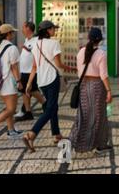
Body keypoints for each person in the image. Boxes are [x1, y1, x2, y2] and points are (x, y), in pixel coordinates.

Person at [22, 20, 75, 152]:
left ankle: (56, 134)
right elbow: (58, 64)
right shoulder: (54, 43)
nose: (54, 31)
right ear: (47, 30)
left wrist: (29, 84)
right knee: (50, 108)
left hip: (42, 81)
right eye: (53, 29)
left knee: (53, 106)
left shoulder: (36, 44)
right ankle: (31, 134)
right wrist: (72, 68)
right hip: (52, 79)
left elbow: (34, 66)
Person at [69, 27, 112, 154]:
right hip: (97, 87)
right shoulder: (101, 54)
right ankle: (101, 144)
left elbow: (79, 71)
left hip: (83, 86)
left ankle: (71, 143)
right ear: (100, 40)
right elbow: (104, 75)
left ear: (89, 38)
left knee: (82, 116)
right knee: (99, 117)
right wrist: (109, 90)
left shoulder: (81, 52)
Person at [0, 24, 23, 139]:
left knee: (7, 107)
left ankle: (11, 130)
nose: (13, 34)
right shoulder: (12, 48)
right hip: (8, 83)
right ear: (8, 34)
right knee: (11, 109)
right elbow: (14, 68)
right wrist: (19, 81)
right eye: (12, 32)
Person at [15, 21, 46, 122]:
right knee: (25, 91)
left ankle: (47, 105)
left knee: (32, 90)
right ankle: (28, 112)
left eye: (23, 27)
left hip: (32, 71)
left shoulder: (36, 40)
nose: (22, 29)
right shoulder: (26, 40)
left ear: (28, 28)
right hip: (24, 71)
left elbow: (36, 54)